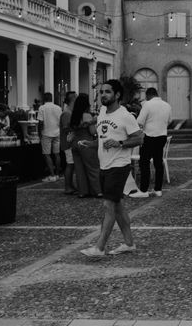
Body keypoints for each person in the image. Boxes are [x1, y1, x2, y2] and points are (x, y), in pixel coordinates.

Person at [79, 80, 143, 257]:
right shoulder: (102, 113)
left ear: (117, 95)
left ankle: (99, 247)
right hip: (104, 166)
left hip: (119, 166)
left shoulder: (126, 116)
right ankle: (129, 243)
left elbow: (139, 138)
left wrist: (121, 142)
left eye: (107, 92)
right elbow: (103, 139)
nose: (103, 95)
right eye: (101, 92)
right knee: (119, 207)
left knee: (109, 205)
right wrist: (90, 144)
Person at [130, 88, 172, 198]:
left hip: (149, 136)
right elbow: (170, 121)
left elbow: (139, 121)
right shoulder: (167, 105)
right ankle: (158, 189)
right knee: (158, 163)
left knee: (144, 163)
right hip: (162, 136)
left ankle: (144, 190)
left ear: (148, 95)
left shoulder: (147, 105)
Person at [70, 94, 101, 198]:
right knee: (93, 167)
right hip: (86, 142)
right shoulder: (87, 115)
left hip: (75, 143)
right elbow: (92, 132)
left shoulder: (73, 115)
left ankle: (82, 191)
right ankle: (97, 191)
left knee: (79, 169)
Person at [38, 92, 62, 182]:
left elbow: (40, 122)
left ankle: (52, 175)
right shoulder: (58, 108)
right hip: (57, 132)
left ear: (44, 99)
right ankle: (57, 174)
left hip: (46, 132)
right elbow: (61, 121)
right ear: (51, 98)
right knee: (57, 154)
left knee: (47, 154)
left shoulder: (42, 108)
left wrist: (39, 133)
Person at [60, 91, 77, 195]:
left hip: (70, 141)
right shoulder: (67, 113)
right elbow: (66, 127)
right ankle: (67, 186)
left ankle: (70, 185)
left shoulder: (70, 111)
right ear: (72, 99)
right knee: (70, 164)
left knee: (72, 164)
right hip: (68, 142)